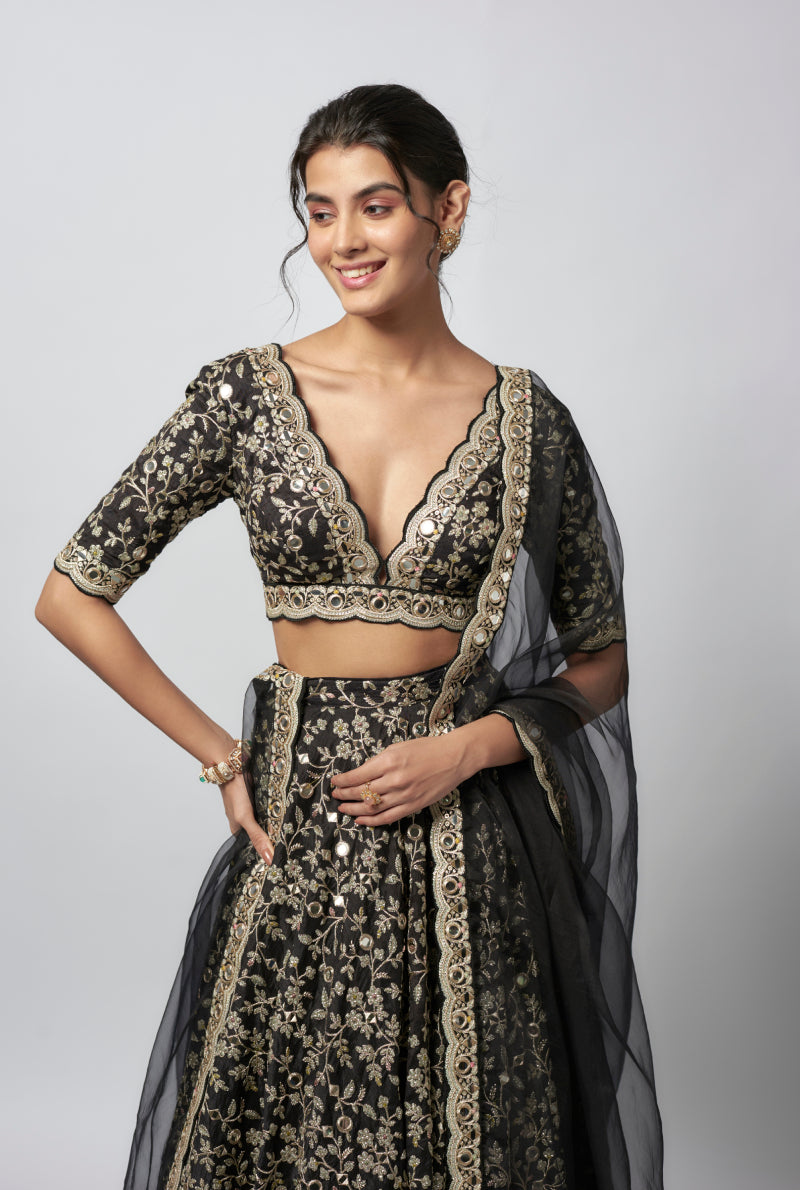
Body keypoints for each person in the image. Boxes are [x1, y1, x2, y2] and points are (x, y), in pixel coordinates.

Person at [36, 84, 663, 1190]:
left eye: (374, 206)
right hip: (298, 834)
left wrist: (466, 750)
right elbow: (71, 593)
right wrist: (220, 754)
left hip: (471, 845)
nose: (342, 241)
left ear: (445, 210)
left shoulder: (528, 421)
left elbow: (600, 657)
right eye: (318, 212)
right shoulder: (243, 396)